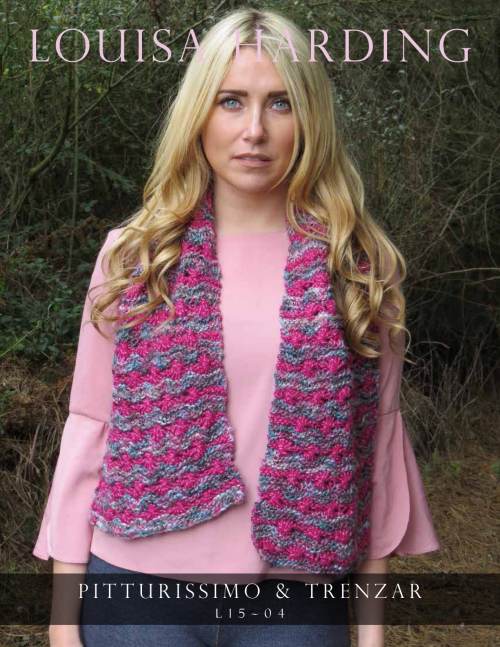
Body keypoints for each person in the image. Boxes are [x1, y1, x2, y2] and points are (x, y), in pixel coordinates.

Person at [33, 7, 440, 647]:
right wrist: (62, 625)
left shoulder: (360, 266)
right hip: (137, 597)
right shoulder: (134, 257)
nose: (254, 130)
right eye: (231, 101)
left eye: (280, 103)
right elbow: (91, 427)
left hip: (298, 603)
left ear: (311, 118)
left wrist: (371, 635)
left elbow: (375, 450)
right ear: (200, 114)